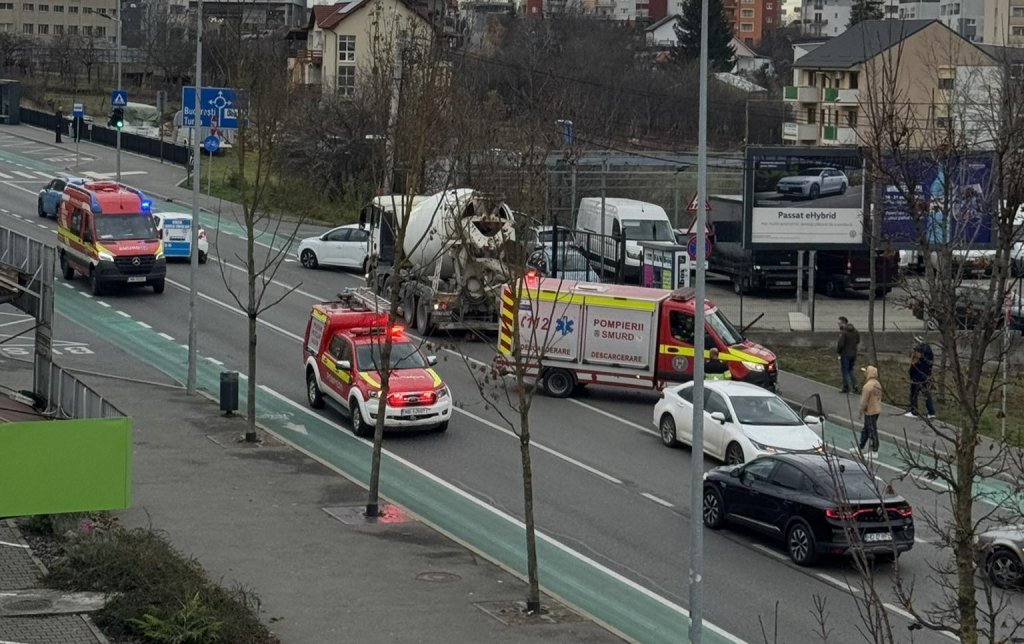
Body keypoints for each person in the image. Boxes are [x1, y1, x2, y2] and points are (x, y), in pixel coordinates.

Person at [906, 336, 936, 419]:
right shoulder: (929, 353)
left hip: (917, 377)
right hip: (926, 376)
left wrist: (911, 373)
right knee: (926, 394)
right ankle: (931, 412)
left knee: (913, 394)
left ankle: (914, 411)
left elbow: (913, 365)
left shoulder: (917, 353)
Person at [859, 365, 882, 458]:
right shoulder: (877, 384)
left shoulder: (867, 386)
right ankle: (861, 446)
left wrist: (861, 411)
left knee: (871, 430)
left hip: (870, 410)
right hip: (877, 409)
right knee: (867, 429)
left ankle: (874, 450)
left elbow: (863, 400)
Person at [836, 316, 860, 393]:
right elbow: (857, 341)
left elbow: (841, 344)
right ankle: (855, 385)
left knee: (845, 371)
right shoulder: (855, 331)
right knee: (850, 370)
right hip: (853, 354)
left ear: (843, 323)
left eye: (839, 323)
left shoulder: (843, 333)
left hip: (845, 354)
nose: (838, 325)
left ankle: (846, 387)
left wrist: (839, 351)